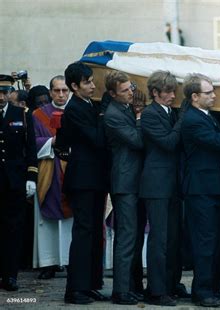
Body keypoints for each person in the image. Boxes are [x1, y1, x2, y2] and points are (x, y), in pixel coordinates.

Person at [181, 73, 220, 307]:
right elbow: (217, 143)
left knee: (216, 241)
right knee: (205, 242)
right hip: (200, 189)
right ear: (195, 96)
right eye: (208, 92)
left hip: (212, 187)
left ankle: (214, 287)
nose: (214, 95)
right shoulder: (192, 119)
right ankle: (202, 292)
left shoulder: (205, 116)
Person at [58, 62, 109, 304]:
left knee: (93, 232)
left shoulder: (88, 104)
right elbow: (97, 139)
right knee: (83, 232)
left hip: (95, 178)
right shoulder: (75, 109)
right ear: (74, 86)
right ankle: (75, 288)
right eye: (87, 82)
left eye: (92, 80)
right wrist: (102, 114)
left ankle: (89, 283)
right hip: (82, 179)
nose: (93, 85)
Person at [139, 70, 182, 306]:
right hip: (156, 185)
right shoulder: (149, 114)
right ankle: (156, 290)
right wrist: (183, 119)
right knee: (159, 239)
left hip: (171, 183)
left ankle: (169, 284)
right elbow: (168, 142)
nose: (172, 96)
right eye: (167, 92)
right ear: (155, 92)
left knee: (172, 238)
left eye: (174, 91)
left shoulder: (169, 112)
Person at [103, 71, 144, 305]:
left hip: (134, 180)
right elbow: (137, 141)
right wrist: (140, 118)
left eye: (132, 87)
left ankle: (130, 285)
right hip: (125, 182)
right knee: (127, 236)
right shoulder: (113, 115)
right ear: (112, 94)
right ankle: (120, 290)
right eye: (125, 90)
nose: (131, 92)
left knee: (134, 235)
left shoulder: (124, 108)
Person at [32, 75, 73, 280]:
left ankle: (69, 260)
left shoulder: (76, 112)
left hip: (72, 171)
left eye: (64, 90)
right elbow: (32, 142)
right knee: (46, 222)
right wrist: (53, 141)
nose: (61, 94)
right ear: (50, 92)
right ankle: (48, 263)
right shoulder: (38, 115)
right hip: (48, 169)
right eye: (57, 90)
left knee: (72, 221)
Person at [0, 74, 37, 291]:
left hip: (14, 181)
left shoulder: (21, 114)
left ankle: (10, 275)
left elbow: (30, 148)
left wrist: (31, 177)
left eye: (5, 93)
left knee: (13, 229)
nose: (1, 97)